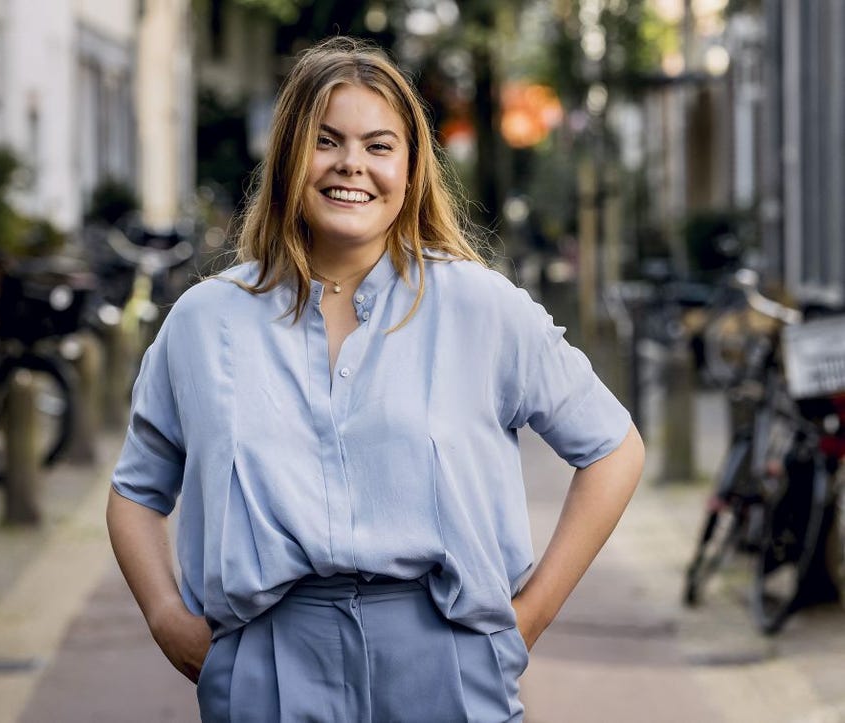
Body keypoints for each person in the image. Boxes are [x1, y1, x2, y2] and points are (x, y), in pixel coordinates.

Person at [107, 36, 645, 722]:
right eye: (325, 141)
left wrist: (529, 617)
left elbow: (614, 448)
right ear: (288, 158)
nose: (350, 165)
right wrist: (162, 612)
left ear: (413, 167)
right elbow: (133, 490)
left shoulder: (480, 307)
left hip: (444, 663)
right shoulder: (204, 322)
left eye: (378, 145)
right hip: (267, 664)